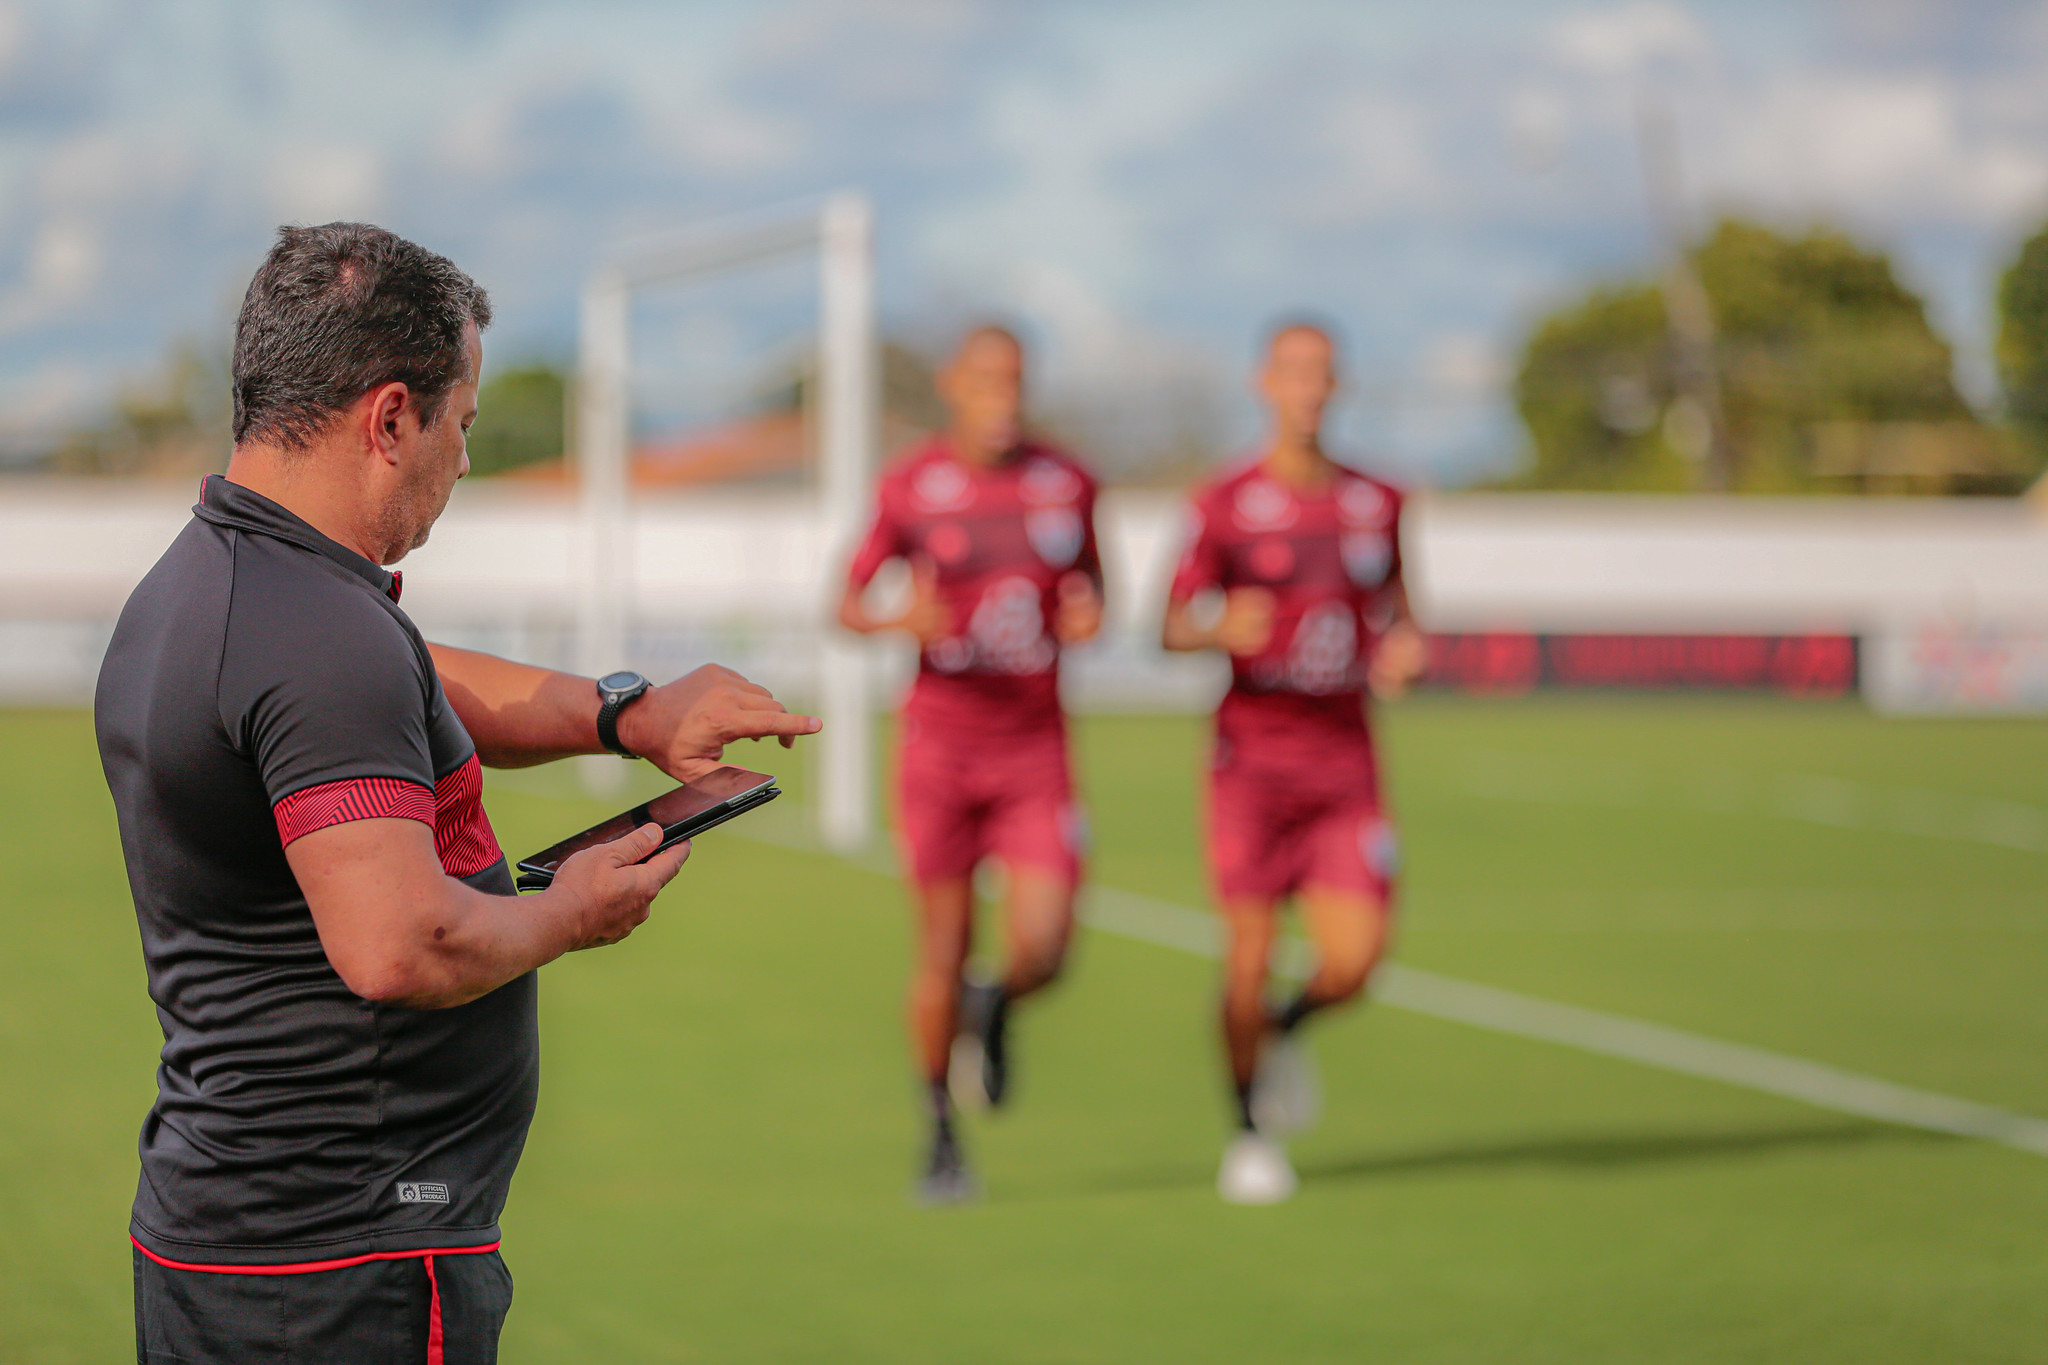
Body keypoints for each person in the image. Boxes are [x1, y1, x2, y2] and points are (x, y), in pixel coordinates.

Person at [96, 223, 819, 1364]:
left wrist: (627, 714)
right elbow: (401, 948)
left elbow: (414, 679)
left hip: (247, 1238)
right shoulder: (313, 635)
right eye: (462, 424)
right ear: (390, 418)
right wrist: (575, 911)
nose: (465, 461)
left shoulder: (220, 582)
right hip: (344, 1267)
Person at [1161, 319, 1426, 1204]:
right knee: (1248, 952)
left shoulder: (1378, 500)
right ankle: (1246, 1131)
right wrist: (1212, 627)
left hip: (1346, 766)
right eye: (1293, 372)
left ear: (1336, 386)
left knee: (1356, 960)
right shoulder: (1225, 500)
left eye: (1322, 373)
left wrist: (1401, 649)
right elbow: (1169, 625)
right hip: (1252, 767)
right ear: (1263, 383)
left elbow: (1398, 607)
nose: (1308, 388)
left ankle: (1283, 1028)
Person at [838, 325, 1103, 1203]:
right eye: (987, 378)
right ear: (954, 384)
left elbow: (1096, 591)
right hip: (942, 749)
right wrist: (896, 621)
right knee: (941, 946)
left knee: (1050, 941)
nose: (1004, 393)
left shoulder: (1067, 481)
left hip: (1035, 750)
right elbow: (847, 602)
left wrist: (1087, 616)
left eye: (1016, 379)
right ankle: (941, 1134)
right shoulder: (913, 484)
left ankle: (995, 1005)